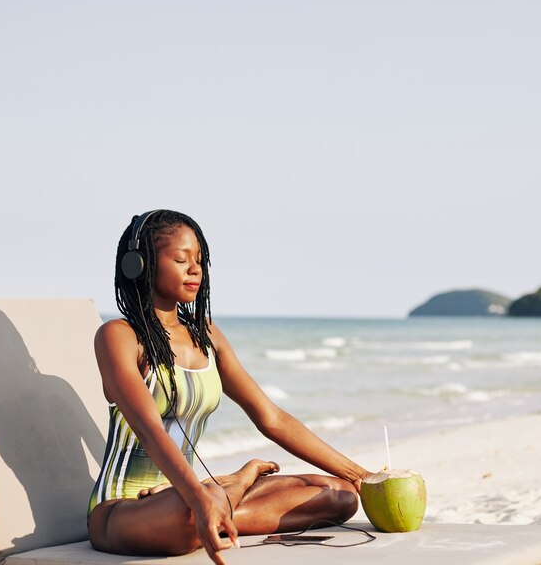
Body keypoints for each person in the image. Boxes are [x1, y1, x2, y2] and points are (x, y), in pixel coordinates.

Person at [87, 210, 372, 565]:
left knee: (340, 496)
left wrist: (361, 476)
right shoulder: (119, 337)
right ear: (139, 265)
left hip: (188, 495)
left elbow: (272, 418)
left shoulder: (206, 335)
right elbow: (148, 430)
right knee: (188, 514)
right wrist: (197, 496)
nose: (195, 269)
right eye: (181, 259)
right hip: (124, 510)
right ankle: (225, 491)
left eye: (200, 261)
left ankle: (217, 504)